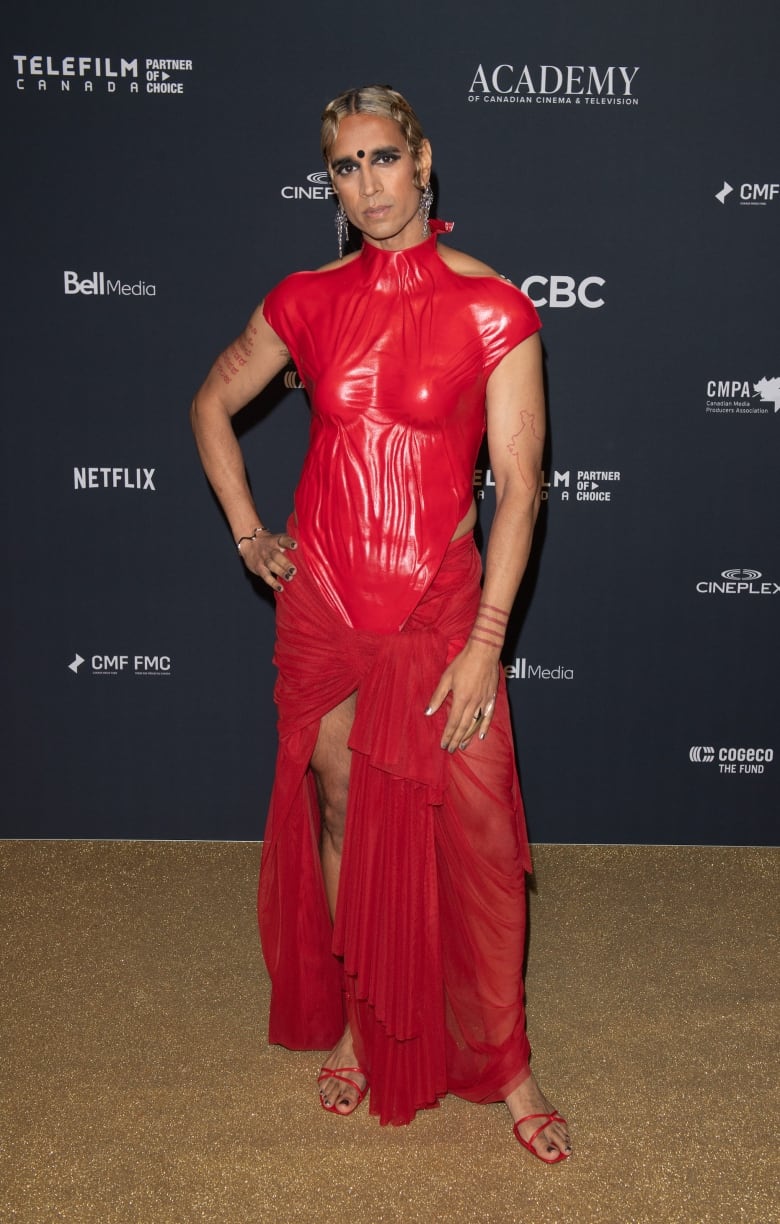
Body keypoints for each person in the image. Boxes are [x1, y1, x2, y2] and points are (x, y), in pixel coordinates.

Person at [191, 85, 572, 1163]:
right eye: (346, 167)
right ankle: (363, 1028)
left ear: (425, 161)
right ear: (332, 182)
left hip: (441, 606)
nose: (368, 184)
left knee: (485, 831)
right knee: (343, 806)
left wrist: (489, 640)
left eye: (384, 158)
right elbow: (211, 404)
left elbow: (521, 483)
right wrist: (248, 533)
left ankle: (510, 1065)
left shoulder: (495, 307)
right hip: (325, 604)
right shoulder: (306, 298)